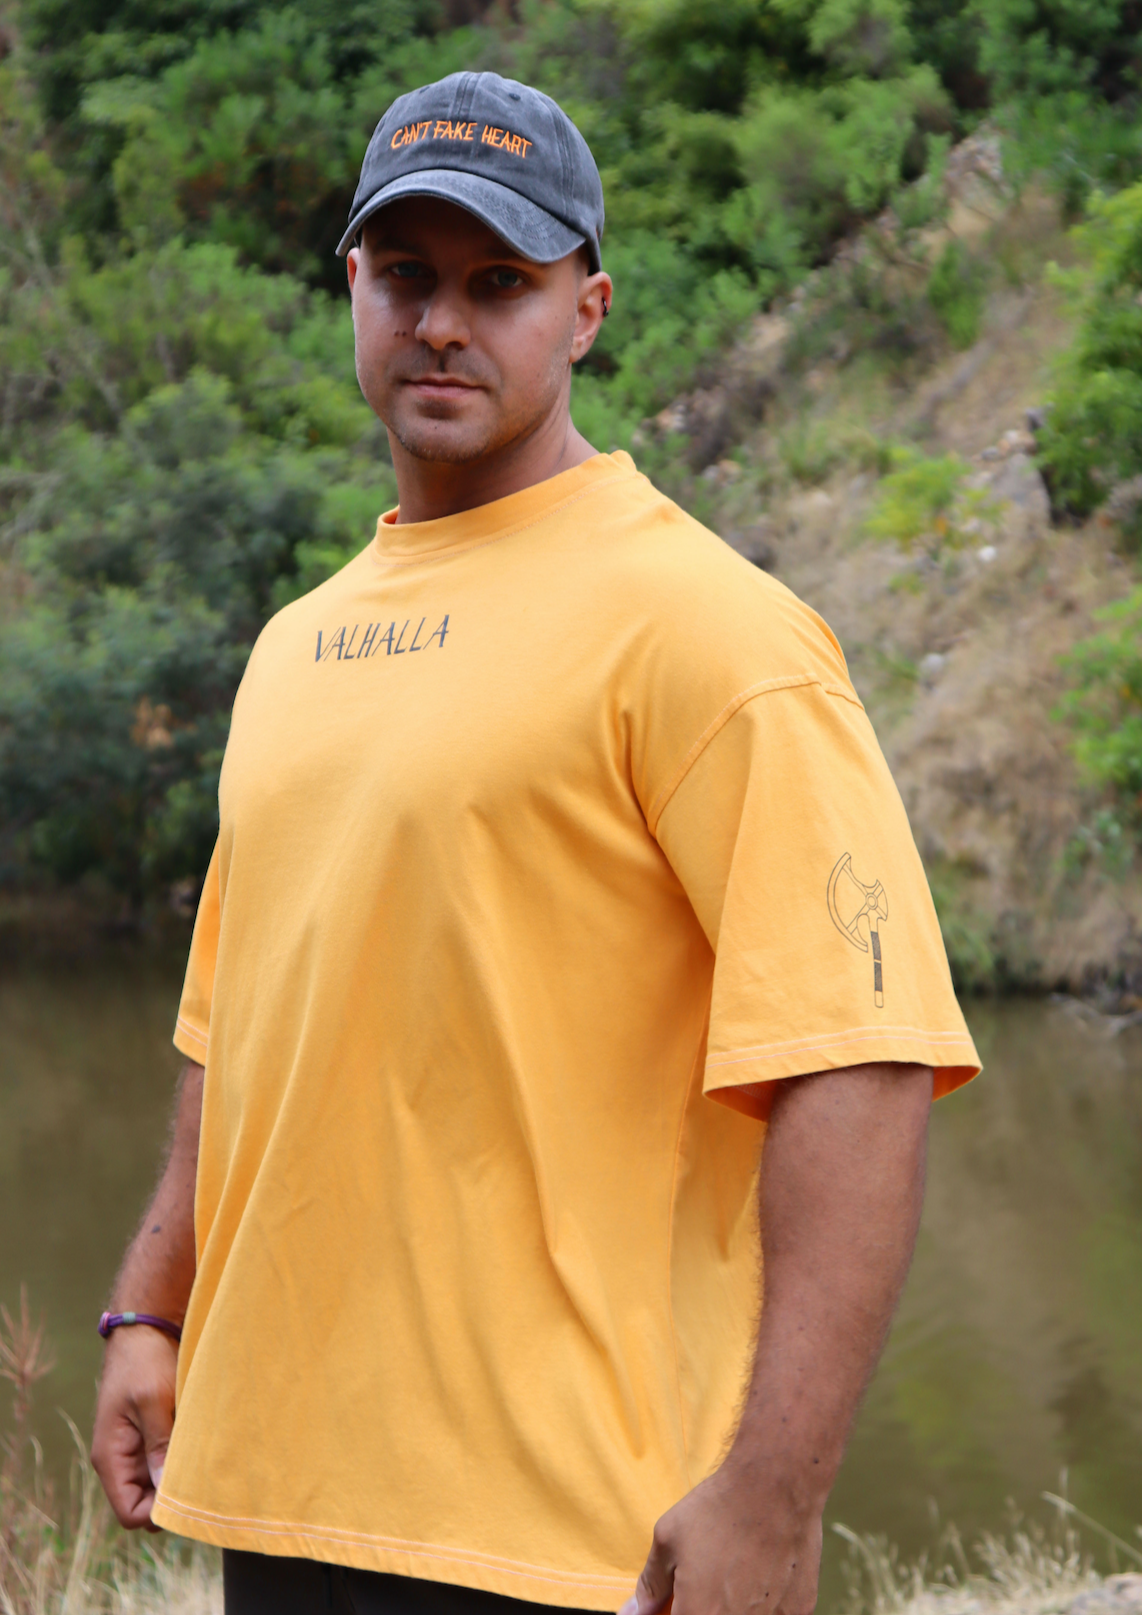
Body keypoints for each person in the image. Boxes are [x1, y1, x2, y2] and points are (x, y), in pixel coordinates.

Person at [91, 70, 980, 1615]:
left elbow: (860, 1060)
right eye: (408, 274)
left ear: (586, 311)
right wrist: (149, 1309)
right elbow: (233, 1026)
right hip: (281, 1499)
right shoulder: (295, 645)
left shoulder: (707, 629)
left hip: (564, 1536)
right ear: (352, 288)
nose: (444, 321)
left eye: (499, 282)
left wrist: (772, 1492)